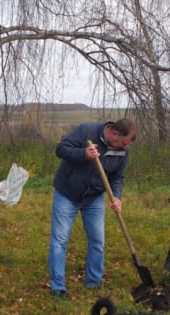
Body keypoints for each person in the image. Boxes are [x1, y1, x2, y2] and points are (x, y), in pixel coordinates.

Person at [48, 118, 136, 299]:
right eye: (123, 142)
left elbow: (118, 177)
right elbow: (61, 150)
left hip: (94, 198)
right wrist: (83, 154)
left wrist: (117, 197)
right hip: (67, 193)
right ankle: (58, 287)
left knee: (97, 241)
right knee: (60, 240)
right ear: (114, 133)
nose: (124, 147)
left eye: (126, 144)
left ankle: (93, 283)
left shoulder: (123, 151)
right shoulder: (86, 131)